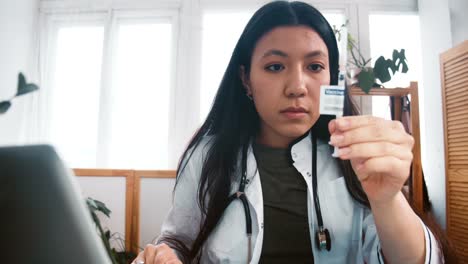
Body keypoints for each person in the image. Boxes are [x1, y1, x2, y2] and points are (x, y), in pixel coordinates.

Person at [133, 1, 446, 263]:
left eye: (314, 67)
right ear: (245, 79)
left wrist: (388, 198)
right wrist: (162, 256)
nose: (297, 87)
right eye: (274, 67)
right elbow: (178, 242)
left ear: (332, 79)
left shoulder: (353, 158)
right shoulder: (207, 155)